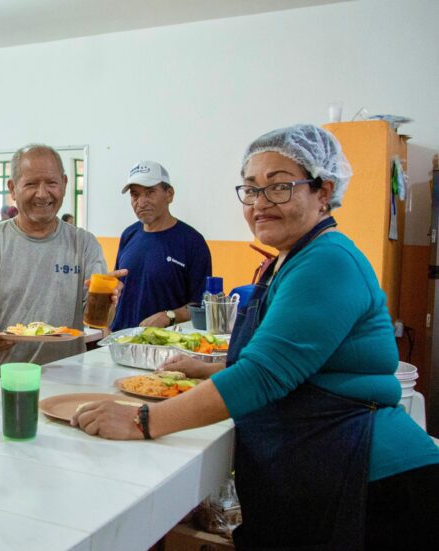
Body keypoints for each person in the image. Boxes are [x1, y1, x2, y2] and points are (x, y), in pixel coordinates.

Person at [72, 125, 439, 549]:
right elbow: (294, 360)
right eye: (250, 189)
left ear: (324, 192)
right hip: (318, 467)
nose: (261, 203)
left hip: (372, 482)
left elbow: (264, 377)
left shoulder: (328, 260)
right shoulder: (290, 258)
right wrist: (207, 365)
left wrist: (142, 421)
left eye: (280, 187)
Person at [0, 144, 125, 376]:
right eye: (31, 184)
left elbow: (98, 320)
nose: (43, 194)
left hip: (66, 376)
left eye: (52, 183)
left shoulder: (84, 244)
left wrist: (108, 298)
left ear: (65, 184)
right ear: (13, 188)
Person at [111, 161, 211, 331]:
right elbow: (117, 292)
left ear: (169, 194)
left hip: (166, 347)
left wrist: (169, 316)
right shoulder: (128, 235)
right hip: (122, 340)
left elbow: (202, 306)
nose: (141, 202)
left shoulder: (192, 242)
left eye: (150, 192)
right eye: (135, 195)